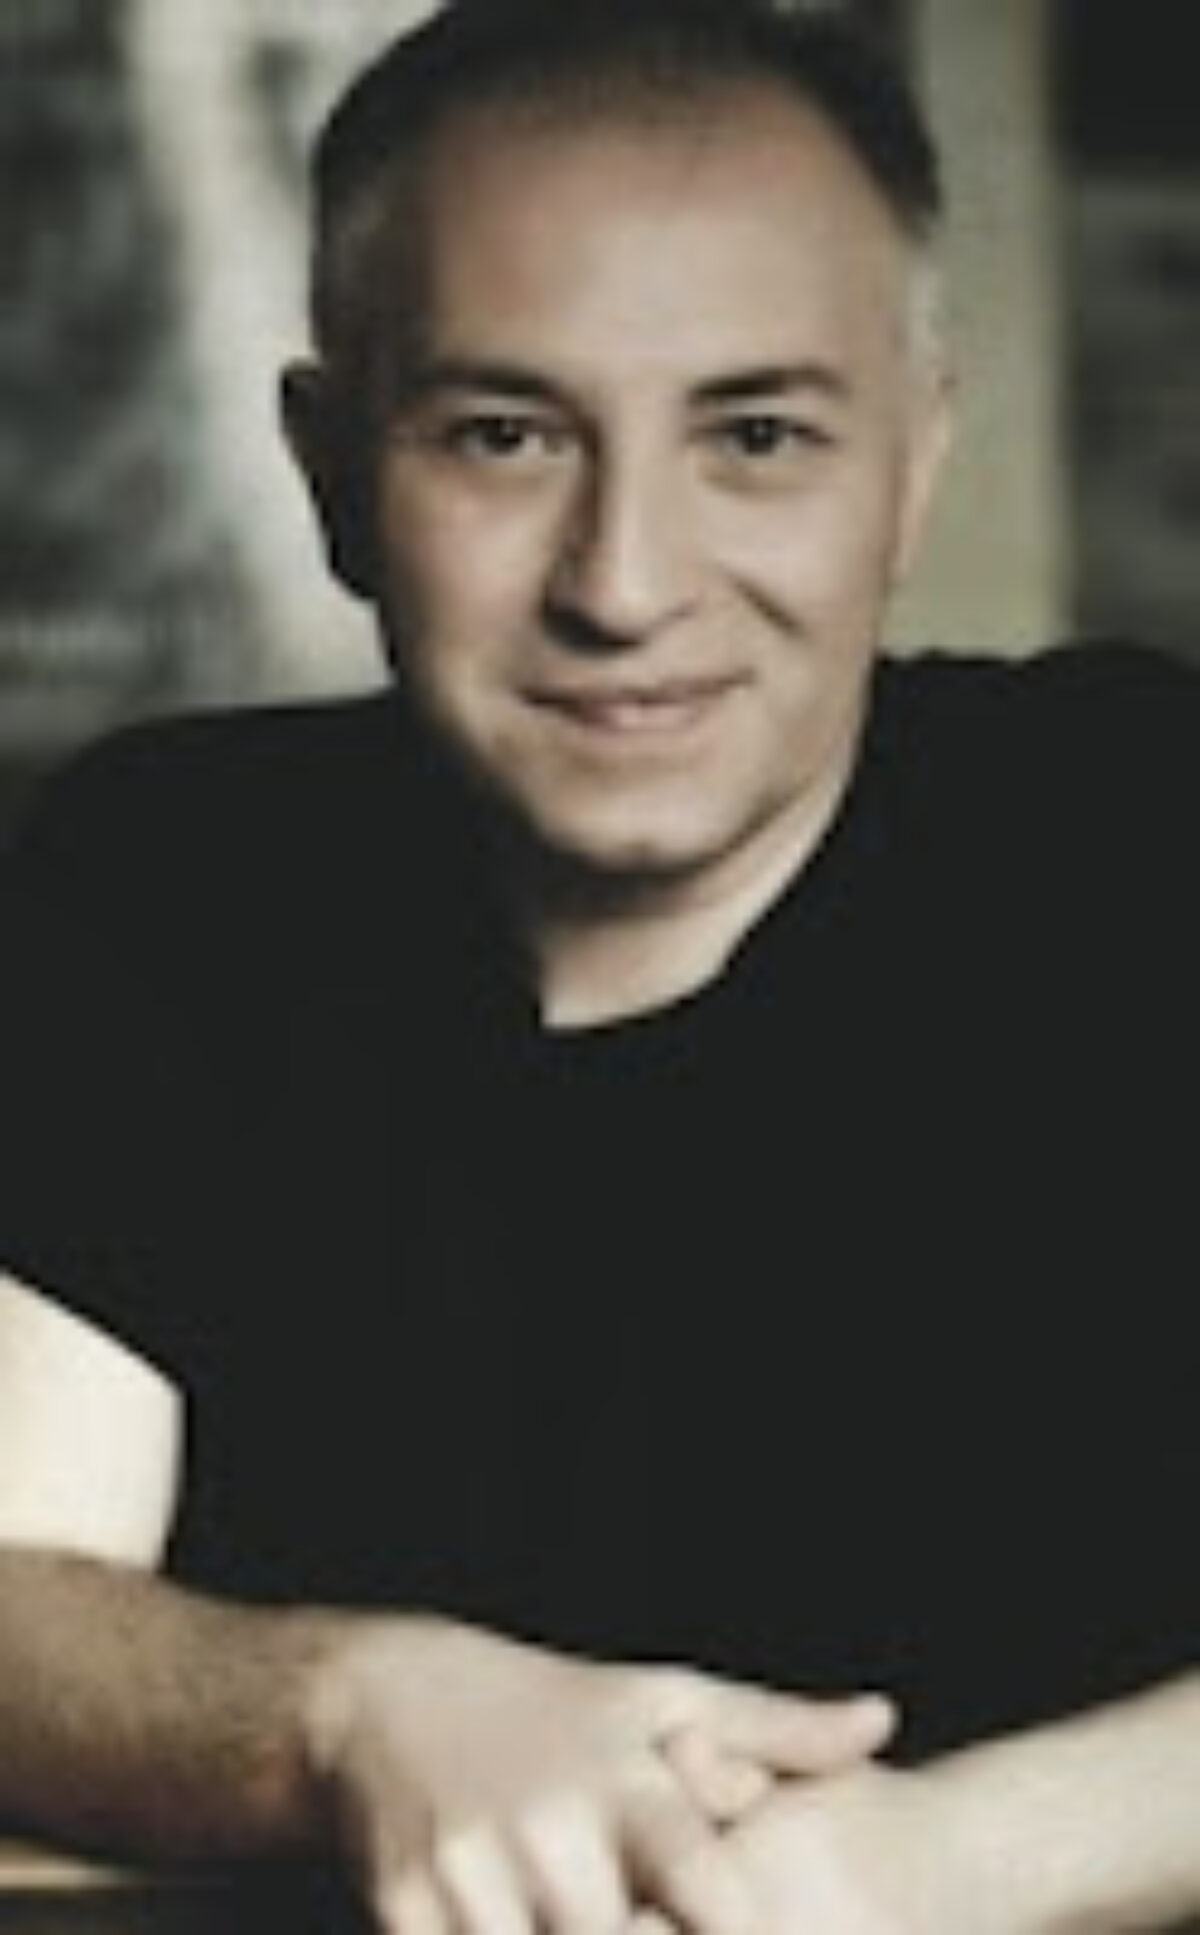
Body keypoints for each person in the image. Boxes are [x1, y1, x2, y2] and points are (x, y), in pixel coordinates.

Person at [0, 1, 1196, 1929]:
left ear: (915, 463)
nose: (625, 583)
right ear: (329, 470)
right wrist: (354, 1712)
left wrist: (934, 1868)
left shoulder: (1141, 834)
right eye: (503, 436)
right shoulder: (174, 871)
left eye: (757, 437)